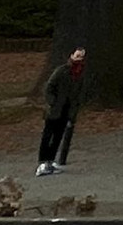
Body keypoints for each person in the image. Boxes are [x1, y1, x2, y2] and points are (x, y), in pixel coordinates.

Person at [34, 47, 85, 175]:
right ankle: (42, 162)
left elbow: (77, 95)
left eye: (82, 57)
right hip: (55, 109)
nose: (79, 59)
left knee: (58, 137)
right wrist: (53, 102)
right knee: (47, 136)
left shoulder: (80, 75)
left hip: (67, 110)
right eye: (77, 56)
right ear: (72, 55)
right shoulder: (61, 71)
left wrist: (73, 113)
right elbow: (49, 87)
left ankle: (50, 161)